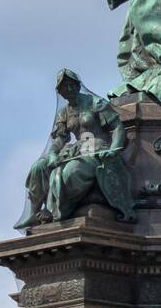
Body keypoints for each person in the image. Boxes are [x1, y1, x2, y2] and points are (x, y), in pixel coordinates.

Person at [16, 68, 136, 227]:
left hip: (97, 151)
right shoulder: (63, 113)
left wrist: (113, 150)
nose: (69, 89)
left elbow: (118, 128)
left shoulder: (95, 103)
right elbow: (59, 139)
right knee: (38, 167)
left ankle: (57, 212)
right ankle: (35, 213)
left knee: (69, 172)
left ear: (78, 86)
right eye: (65, 87)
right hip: (75, 151)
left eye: (72, 85)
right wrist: (52, 154)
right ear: (61, 92)